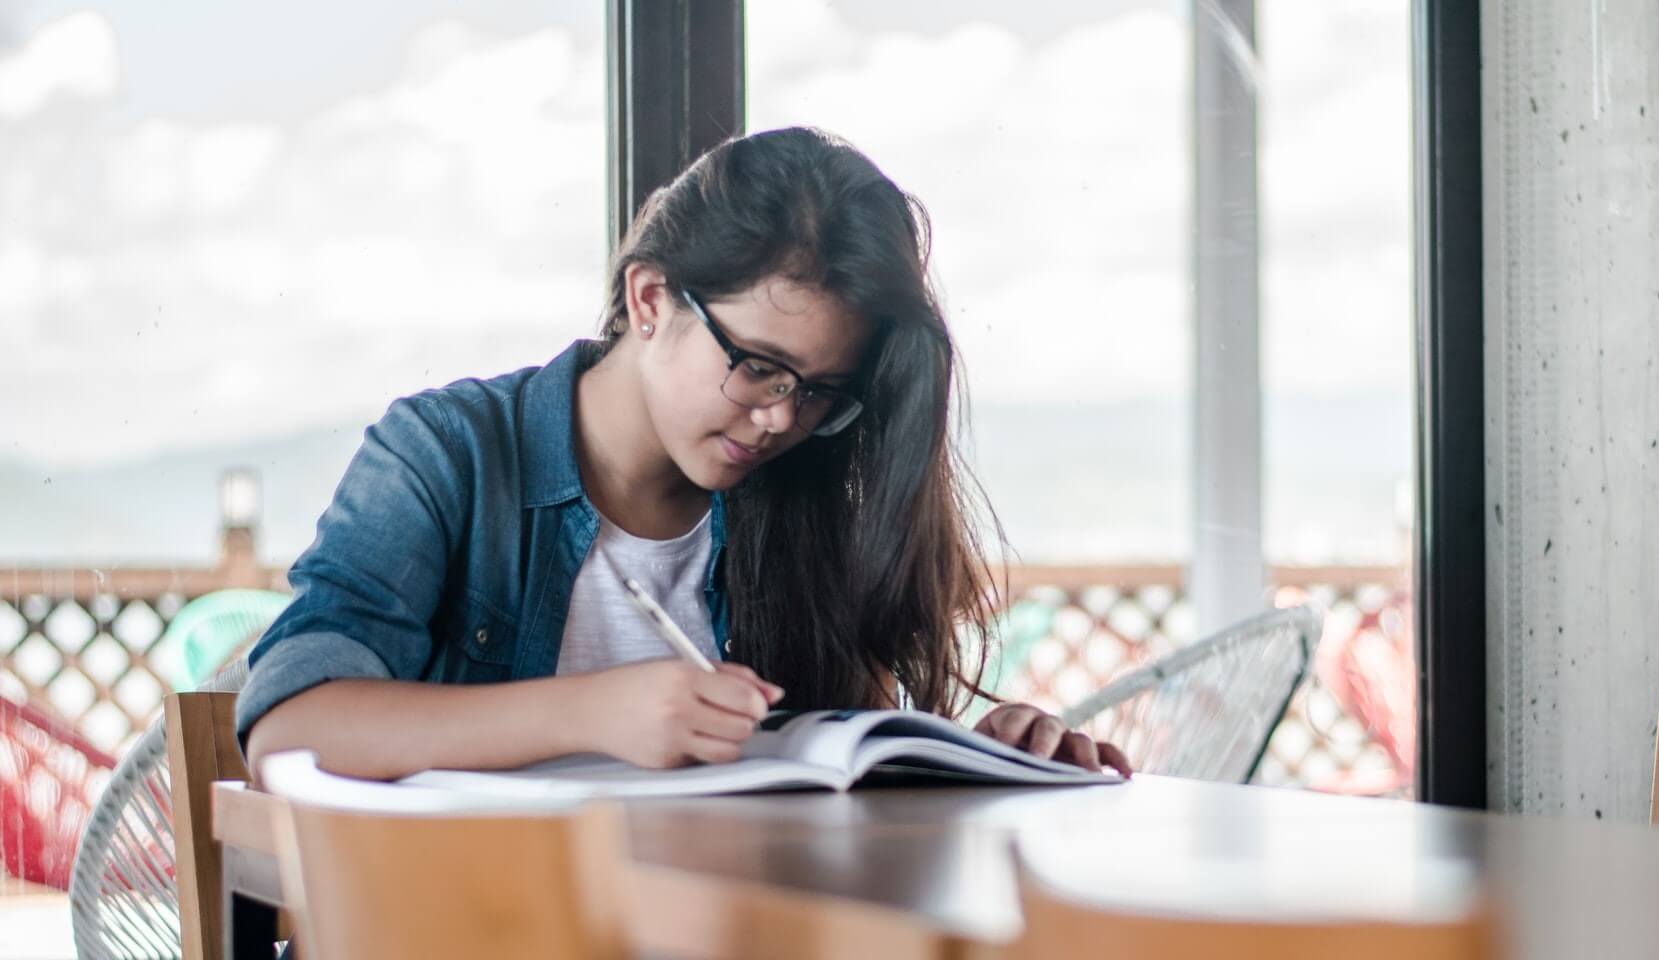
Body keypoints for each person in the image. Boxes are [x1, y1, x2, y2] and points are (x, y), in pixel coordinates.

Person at [239, 126, 1131, 781]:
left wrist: (986, 755)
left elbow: (840, 778)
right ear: (652, 297)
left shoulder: (798, 498)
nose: (782, 419)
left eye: (818, 390)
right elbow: (291, 726)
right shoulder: (449, 454)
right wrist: (594, 710)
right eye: (759, 368)